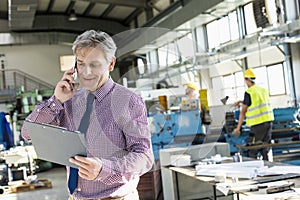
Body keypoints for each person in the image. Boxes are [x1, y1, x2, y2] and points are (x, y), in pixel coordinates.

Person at [21, 30, 154, 199]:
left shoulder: (128, 101)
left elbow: (144, 156)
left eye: (94, 64)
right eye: (81, 63)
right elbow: (27, 133)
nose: (86, 72)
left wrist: (104, 170)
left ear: (111, 64)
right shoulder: (68, 100)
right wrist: (56, 101)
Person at [233, 68, 274, 160]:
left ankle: (255, 170)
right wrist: (241, 101)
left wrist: (238, 128)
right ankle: (267, 168)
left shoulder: (249, 92)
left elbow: (243, 112)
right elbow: (257, 102)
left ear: (247, 80)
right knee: (265, 147)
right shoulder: (263, 90)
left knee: (253, 148)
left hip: (258, 124)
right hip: (268, 122)